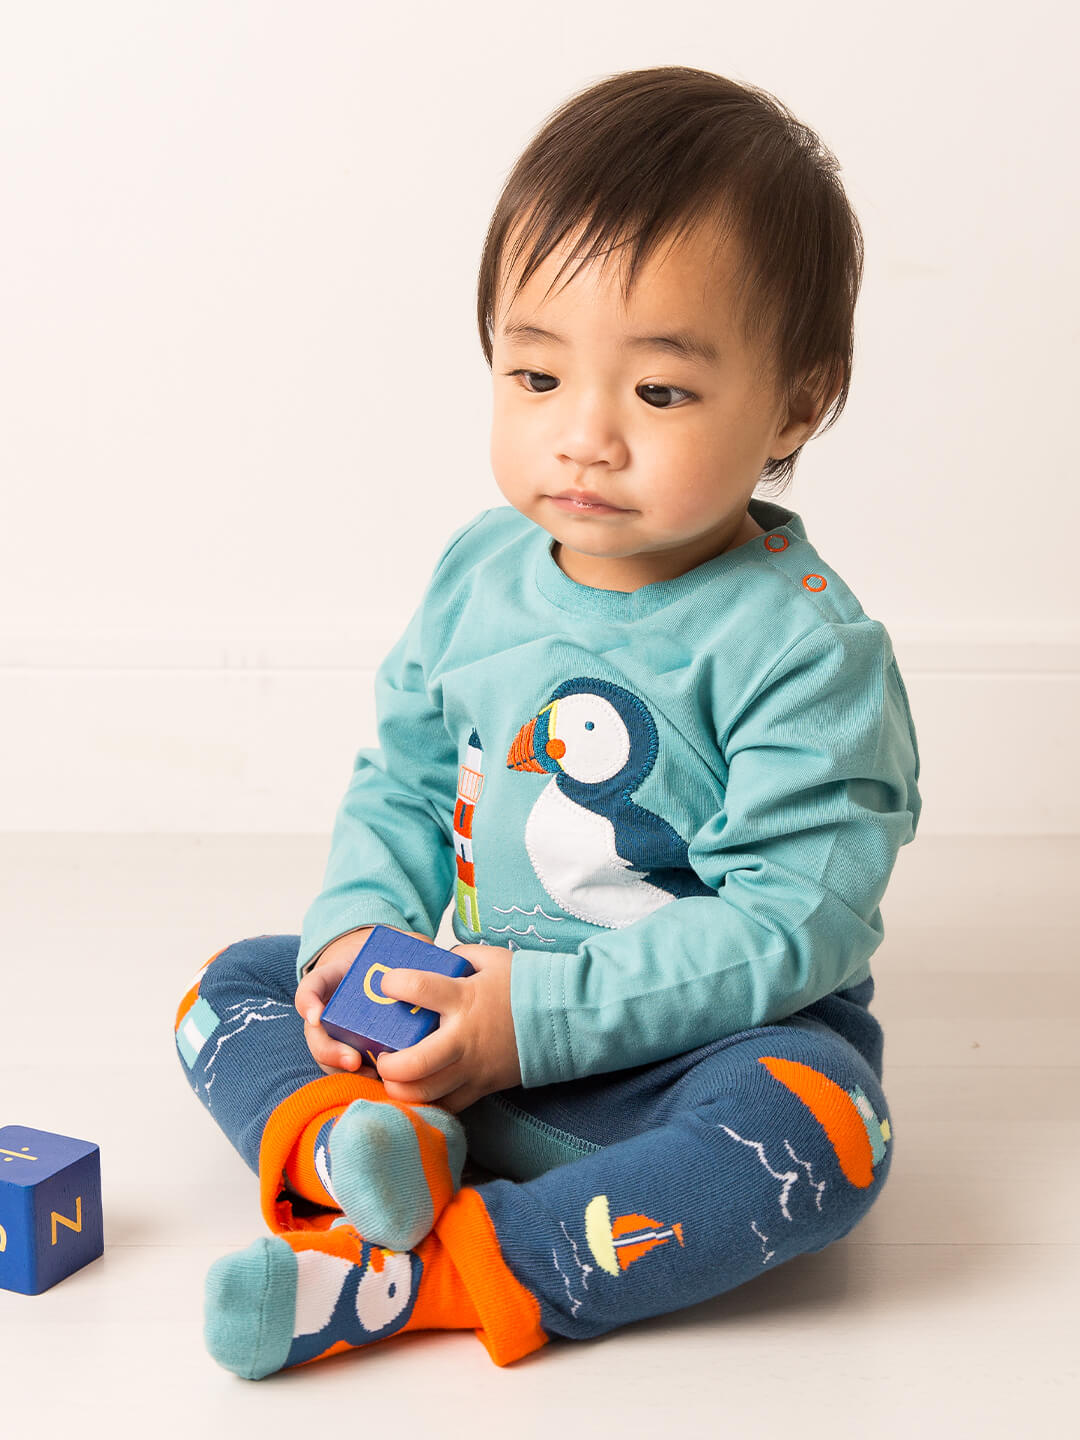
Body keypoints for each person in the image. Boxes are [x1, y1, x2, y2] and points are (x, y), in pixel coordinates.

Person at [174, 65, 921, 1380]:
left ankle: (445, 1269)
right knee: (236, 981)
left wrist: (538, 1021)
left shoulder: (806, 652)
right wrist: (355, 945)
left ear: (798, 402)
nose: (584, 437)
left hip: (680, 1065)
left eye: (660, 394)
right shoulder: (482, 574)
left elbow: (790, 922)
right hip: (450, 1025)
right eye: (534, 374)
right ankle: (358, 1141)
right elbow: (406, 783)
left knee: (825, 1135)